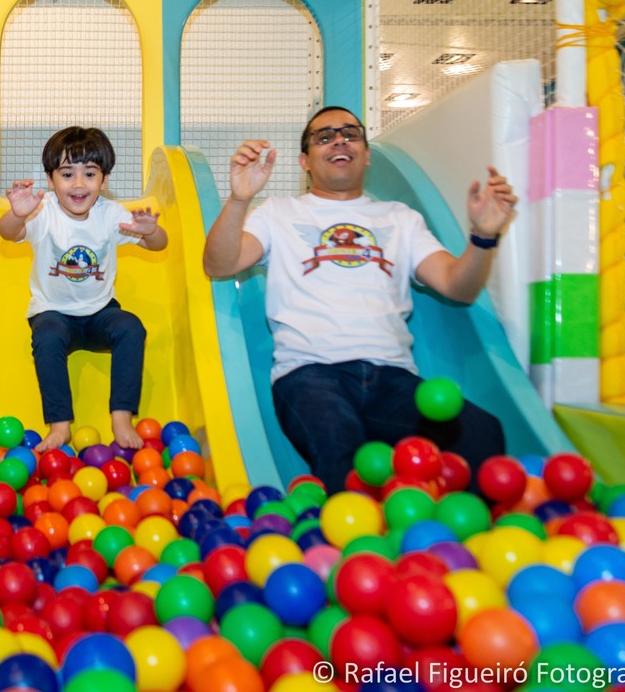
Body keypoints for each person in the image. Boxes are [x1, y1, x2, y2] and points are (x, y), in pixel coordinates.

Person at [203, 106, 514, 492]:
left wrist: (484, 237)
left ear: (366, 154)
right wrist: (239, 199)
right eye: (324, 137)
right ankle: (359, 529)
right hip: (310, 374)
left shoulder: (400, 218)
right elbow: (219, 263)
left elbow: (457, 285)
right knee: (341, 452)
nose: (339, 141)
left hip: (393, 378)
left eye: (351, 134)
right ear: (304, 161)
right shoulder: (278, 213)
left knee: (480, 433)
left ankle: (452, 531)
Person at [0, 126, 168, 453]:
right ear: (51, 179)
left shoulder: (111, 214)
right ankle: (60, 425)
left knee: (131, 328)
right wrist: (16, 215)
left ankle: (121, 417)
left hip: (100, 313)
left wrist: (150, 231)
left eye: (89, 174)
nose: (78, 184)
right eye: (67, 174)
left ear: (104, 180)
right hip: (52, 312)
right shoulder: (42, 211)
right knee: (47, 337)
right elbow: (8, 233)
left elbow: (159, 245)